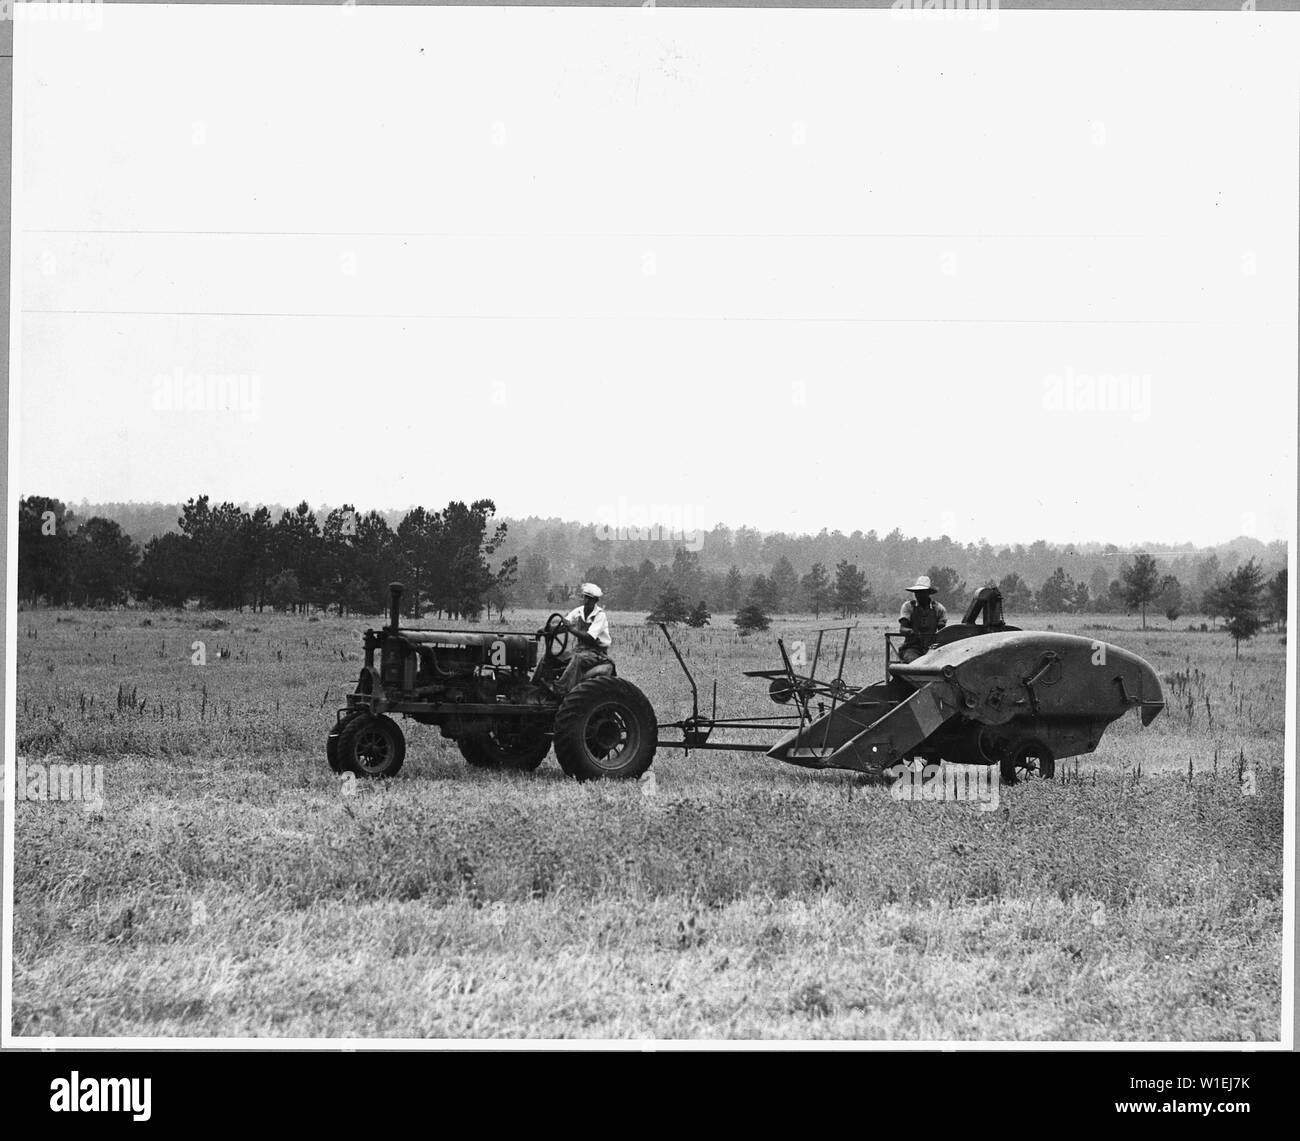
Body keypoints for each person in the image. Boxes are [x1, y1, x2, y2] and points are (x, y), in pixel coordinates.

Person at [555, 583, 612, 694]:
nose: (586, 601)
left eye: (590, 599)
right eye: (585, 597)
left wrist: (571, 629)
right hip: (580, 649)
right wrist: (548, 629)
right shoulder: (579, 611)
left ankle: (560, 689)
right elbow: (565, 624)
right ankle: (536, 686)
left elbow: (590, 637)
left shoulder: (600, 615)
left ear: (596, 601)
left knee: (578, 658)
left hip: (596, 653)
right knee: (552, 656)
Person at [898, 575, 947, 662]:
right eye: (916, 592)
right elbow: (902, 629)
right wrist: (911, 632)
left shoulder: (938, 609)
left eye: (921, 592)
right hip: (912, 647)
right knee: (915, 662)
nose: (918, 595)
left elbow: (942, 632)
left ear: (928, 593)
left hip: (932, 648)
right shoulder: (908, 607)